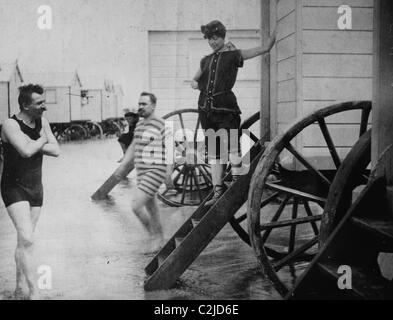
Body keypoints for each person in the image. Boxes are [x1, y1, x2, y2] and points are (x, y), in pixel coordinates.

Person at [191, 20, 276, 206]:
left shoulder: (232, 55)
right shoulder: (205, 60)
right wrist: (197, 84)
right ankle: (217, 192)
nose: (213, 42)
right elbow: (195, 80)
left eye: (216, 38)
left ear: (222, 37)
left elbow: (252, 52)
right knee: (214, 152)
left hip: (226, 109)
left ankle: (237, 182)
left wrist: (267, 46)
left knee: (231, 145)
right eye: (210, 39)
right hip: (206, 111)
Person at [0, 84, 60, 300]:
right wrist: (42, 139)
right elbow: (25, 152)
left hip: (35, 187)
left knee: (23, 242)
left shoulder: (42, 122)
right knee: (28, 238)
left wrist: (35, 143)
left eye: (44, 102)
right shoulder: (9, 124)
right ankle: (34, 292)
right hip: (13, 186)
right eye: (39, 103)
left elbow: (57, 150)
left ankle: (18, 288)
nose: (44, 107)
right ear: (25, 105)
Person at [120, 92, 173, 252]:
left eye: (144, 104)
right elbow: (133, 146)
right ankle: (161, 239)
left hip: (155, 171)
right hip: (142, 172)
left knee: (136, 206)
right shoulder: (140, 126)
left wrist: (168, 173)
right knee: (152, 209)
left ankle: (154, 236)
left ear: (153, 105)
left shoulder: (161, 124)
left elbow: (170, 149)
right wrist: (123, 166)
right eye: (139, 104)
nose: (140, 107)